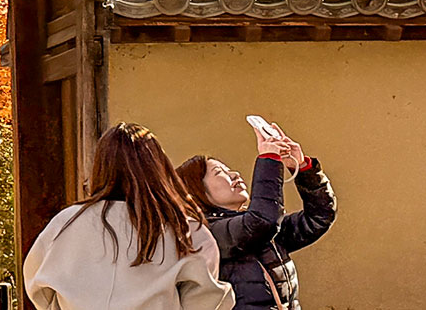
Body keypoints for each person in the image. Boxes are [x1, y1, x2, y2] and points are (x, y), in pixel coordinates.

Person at [23, 123, 233, 310]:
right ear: (158, 167)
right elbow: (204, 297)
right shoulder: (181, 227)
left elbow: (38, 284)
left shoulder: (65, 223)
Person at [175, 117, 335, 310]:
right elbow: (261, 222)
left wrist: (302, 167)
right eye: (220, 172)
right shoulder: (205, 232)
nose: (234, 174)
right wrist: (269, 159)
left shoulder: (253, 227)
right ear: (195, 191)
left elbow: (319, 217)